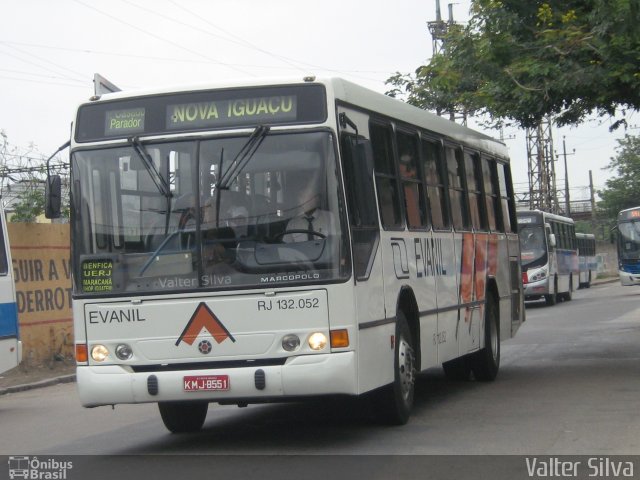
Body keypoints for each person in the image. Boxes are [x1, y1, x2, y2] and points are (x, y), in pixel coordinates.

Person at [282, 170, 336, 243]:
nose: (302, 200)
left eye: (306, 195)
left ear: (316, 198)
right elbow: (286, 249)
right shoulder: (293, 224)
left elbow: (336, 244)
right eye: (300, 196)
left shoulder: (329, 218)